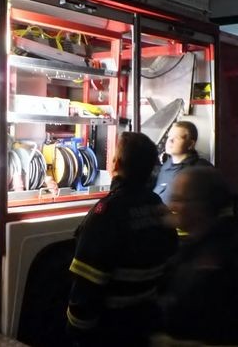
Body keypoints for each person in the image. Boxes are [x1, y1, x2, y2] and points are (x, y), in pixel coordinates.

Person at [67, 132, 178, 346]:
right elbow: (170, 262)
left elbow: (86, 286)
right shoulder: (158, 206)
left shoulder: (106, 214)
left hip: (111, 329)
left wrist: (77, 334)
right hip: (143, 324)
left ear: (116, 164)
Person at [155, 167, 238, 346]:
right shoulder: (193, 249)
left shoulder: (220, 262)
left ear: (201, 207)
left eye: (179, 200)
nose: (172, 206)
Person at [153, 121, 212, 205]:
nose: (170, 140)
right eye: (169, 136)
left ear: (191, 144)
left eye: (176, 138)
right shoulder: (165, 168)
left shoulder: (202, 170)